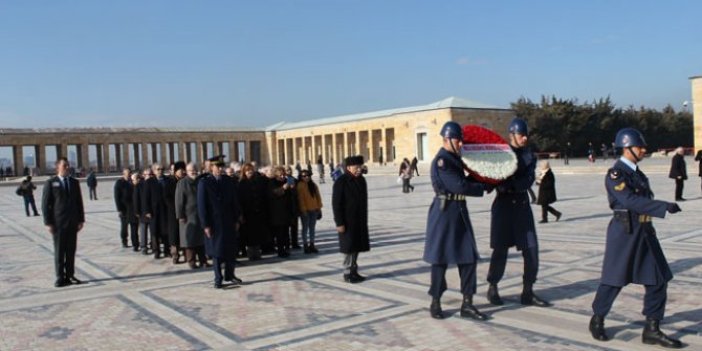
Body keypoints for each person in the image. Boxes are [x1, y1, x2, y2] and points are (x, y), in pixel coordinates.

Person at [588, 128, 683, 349]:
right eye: (640, 147)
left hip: (644, 231)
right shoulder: (616, 174)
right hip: (625, 232)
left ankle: (652, 328)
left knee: (659, 278)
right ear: (627, 147)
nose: (643, 150)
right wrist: (663, 206)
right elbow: (629, 200)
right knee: (614, 280)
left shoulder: (637, 173)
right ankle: (598, 318)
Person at [423, 121, 490, 321]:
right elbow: (458, 185)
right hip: (444, 214)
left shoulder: (455, 159)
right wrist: (481, 188)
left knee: (468, 258)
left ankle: (467, 303)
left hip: (459, 211)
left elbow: (465, 182)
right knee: (440, 259)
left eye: (461, 140)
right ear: (447, 139)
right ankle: (435, 301)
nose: (461, 144)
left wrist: (485, 180)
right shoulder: (442, 161)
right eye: (458, 140)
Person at [487, 118, 551, 308]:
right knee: (500, 250)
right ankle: (493, 286)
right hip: (503, 206)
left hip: (522, 206)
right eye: (521, 135)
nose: (524, 138)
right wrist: (503, 183)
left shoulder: (529, 155)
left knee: (531, 249)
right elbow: (495, 178)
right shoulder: (501, 154)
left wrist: (511, 184)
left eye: (526, 135)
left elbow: (528, 179)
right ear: (512, 135)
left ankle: (528, 291)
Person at [197, 157, 242, 288]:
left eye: (222, 167)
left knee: (230, 249)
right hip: (214, 223)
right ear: (212, 168)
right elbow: (201, 206)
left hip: (228, 220)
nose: (220, 169)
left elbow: (234, 200)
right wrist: (205, 225)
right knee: (217, 251)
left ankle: (230, 274)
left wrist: (237, 218)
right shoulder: (204, 182)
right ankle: (218, 278)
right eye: (217, 167)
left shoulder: (228, 180)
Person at [42, 157, 85, 288]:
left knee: (71, 250)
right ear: (58, 167)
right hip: (58, 223)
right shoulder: (51, 183)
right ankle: (60, 277)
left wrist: (81, 219)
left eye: (68, 165)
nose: (67, 167)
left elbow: (79, 202)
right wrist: (48, 222)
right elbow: (45, 204)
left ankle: (70, 275)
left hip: (72, 222)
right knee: (60, 251)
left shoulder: (74, 182)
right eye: (64, 165)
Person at [332, 155, 370, 283]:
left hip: (359, 220)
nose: (359, 169)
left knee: (356, 247)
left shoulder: (361, 180)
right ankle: (347, 273)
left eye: (360, 166)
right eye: (356, 167)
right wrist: (339, 222)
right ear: (348, 167)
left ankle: (354, 271)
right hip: (347, 221)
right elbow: (336, 204)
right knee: (349, 248)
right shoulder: (341, 181)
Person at [175, 162, 208, 269]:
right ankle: (191, 261)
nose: (193, 172)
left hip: (200, 214)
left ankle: (203, 260)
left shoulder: (201, 181)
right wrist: (180, 215)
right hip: (188, 216)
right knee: (190, 240)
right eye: (191, 170)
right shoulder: (182, 183)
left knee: (201, 239)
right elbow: (179, 201)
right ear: (186, 171)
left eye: (195, 170)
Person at [238, 162, 270, 261]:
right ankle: (251, 254)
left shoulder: (258, 181)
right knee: (249, 235)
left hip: (258, 212)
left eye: (251, 170)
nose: (250, 172)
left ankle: (257, 253)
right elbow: (240, 201)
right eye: (247, 170)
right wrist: (241, 215)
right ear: (244, 172)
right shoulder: (241, 184)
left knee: (258, 234)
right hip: (248, 213)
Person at [268, 166, 295, 258]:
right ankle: (280, 250)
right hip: (277, 212)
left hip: (286, 211)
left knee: (284, 232)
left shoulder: (285, 182)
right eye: (281, 174)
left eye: (284, 174)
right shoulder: (271, 182)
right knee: (279, 233)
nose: (283, 176)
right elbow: (273, 194)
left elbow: (290, 197)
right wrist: (283, 188)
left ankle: (284, 249)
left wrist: (291, 188)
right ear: (276, 174)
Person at [297, 169, 323, 254]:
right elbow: (300, 199)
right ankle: (305, 245)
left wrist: (319, 207)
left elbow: (318, 196)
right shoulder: (300, 186)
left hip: (314, 209)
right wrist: (303, 210)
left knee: (312, 228)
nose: (306, 177)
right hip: (305, 210)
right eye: (304, 176)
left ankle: (312, 244)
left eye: (308, 175)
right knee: (305, 228)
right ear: (301, 177)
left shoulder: (313, 185)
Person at [114, 168, 138, 249]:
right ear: (123, 174)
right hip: (124, 209)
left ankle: (135, 243)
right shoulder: (119, 183)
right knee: (124, 227)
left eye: (129, 173)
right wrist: (119, 209)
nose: (128, 175)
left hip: (132, 208)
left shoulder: (133, 182)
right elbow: (117, 197)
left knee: (134, 226)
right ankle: (124, 240)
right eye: (127, 173)